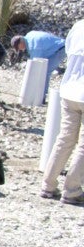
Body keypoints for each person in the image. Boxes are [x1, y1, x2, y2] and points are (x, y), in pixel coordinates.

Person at [39, 19, 84, 205]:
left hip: (69, 89)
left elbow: (68, 50)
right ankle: (72, 189)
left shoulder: (78, 26)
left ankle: (48, 185)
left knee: (65, 139)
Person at [11, 30, 66, 103]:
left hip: (61, 49)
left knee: (45, 72)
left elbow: (36, 66)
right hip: (56, 47)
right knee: (43, 70)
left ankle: (42, 97)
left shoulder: (34, 47)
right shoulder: (29, 35)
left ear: (21, 43)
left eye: (19, 48)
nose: (20, 50)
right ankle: (39, 94)